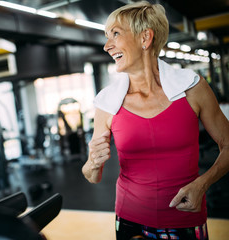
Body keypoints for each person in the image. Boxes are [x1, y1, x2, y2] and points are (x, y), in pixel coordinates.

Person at [82, 1, 229, 240]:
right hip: (130, 220)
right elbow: (91, 175)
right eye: (107, 37)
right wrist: (93, 164)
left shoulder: (192, 88)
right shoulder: (106, 103)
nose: (107, 46)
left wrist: (203, 184)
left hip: (186, 220)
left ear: (145, 38)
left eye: (115, 35)